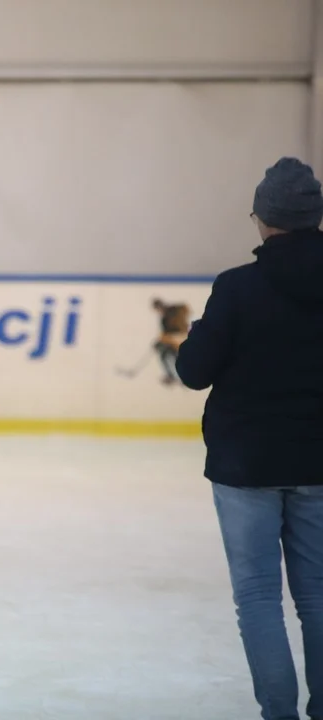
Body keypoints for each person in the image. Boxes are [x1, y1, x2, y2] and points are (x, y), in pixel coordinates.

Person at [176, 156, 323, 720]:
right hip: (318, 463)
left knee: (259, 596)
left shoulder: (237, 288)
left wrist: (197, 333)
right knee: (316, 596)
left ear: (262, 219)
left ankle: (279, 713)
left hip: (246, 465)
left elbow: (193, 371)